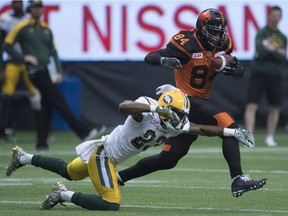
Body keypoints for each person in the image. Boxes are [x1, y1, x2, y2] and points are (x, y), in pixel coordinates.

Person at [5, 89, 255, 210]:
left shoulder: (176, 123)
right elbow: (124, 106)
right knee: (111, 204)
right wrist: (154, 109)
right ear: (166, 108)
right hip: (104, 155)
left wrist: (231, 132)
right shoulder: (147, 111)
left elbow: (200, 128)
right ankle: (63, 195)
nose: (181, 119)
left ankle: (24, 157)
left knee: (69, 171)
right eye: (178, 113)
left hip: (107, 156)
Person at [117, 8, 268, 198]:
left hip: (199, 101)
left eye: (220, 31)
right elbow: (150, 56)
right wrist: (165, 60)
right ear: (201, 28)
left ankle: (118, 178)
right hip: (183, 101)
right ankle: (237, 179)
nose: (218, 36)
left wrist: (237, 72)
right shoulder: (186, 42)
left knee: (168, 159)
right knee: (229, 126)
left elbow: (236, 73)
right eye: (213, 31)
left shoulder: (224, 44)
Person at [3, 0, 99, 151]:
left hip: (46, 70)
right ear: (30, 9)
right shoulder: (22, 27)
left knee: (46, 105)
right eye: (35, 6)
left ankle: (42, 143)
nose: (38, 9)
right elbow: (7, 44)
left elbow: (53, 52)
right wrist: (23, 58)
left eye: (40, 6)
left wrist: (58, 71)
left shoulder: (46, 29)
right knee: (58, 100)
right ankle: (83, 131)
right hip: (34, 71)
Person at [244, 6, 287, 147]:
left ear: (280, 17)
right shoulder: (261, 33)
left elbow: (282, 58)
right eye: (273, 15)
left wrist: (271, 49)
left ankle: (270, 136)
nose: (275, 18)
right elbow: (260, 52)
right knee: (252, 105)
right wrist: (276, 51)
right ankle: (250, 135)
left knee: (274, 107)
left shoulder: (282, 37)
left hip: (274, 74)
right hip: (259, 73)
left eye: (278, 15)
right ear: (269, 16)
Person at [0, 0, 41, 142]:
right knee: (6, 96)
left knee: (37, 96)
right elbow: (2, 45)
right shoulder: (5, 19)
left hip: (30, 63)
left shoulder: (29, 20)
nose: (17, 5)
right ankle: (2, 131)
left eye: (19, 2)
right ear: (11, 4)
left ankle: (42, 132)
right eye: (15, 2)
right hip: (13, 62)